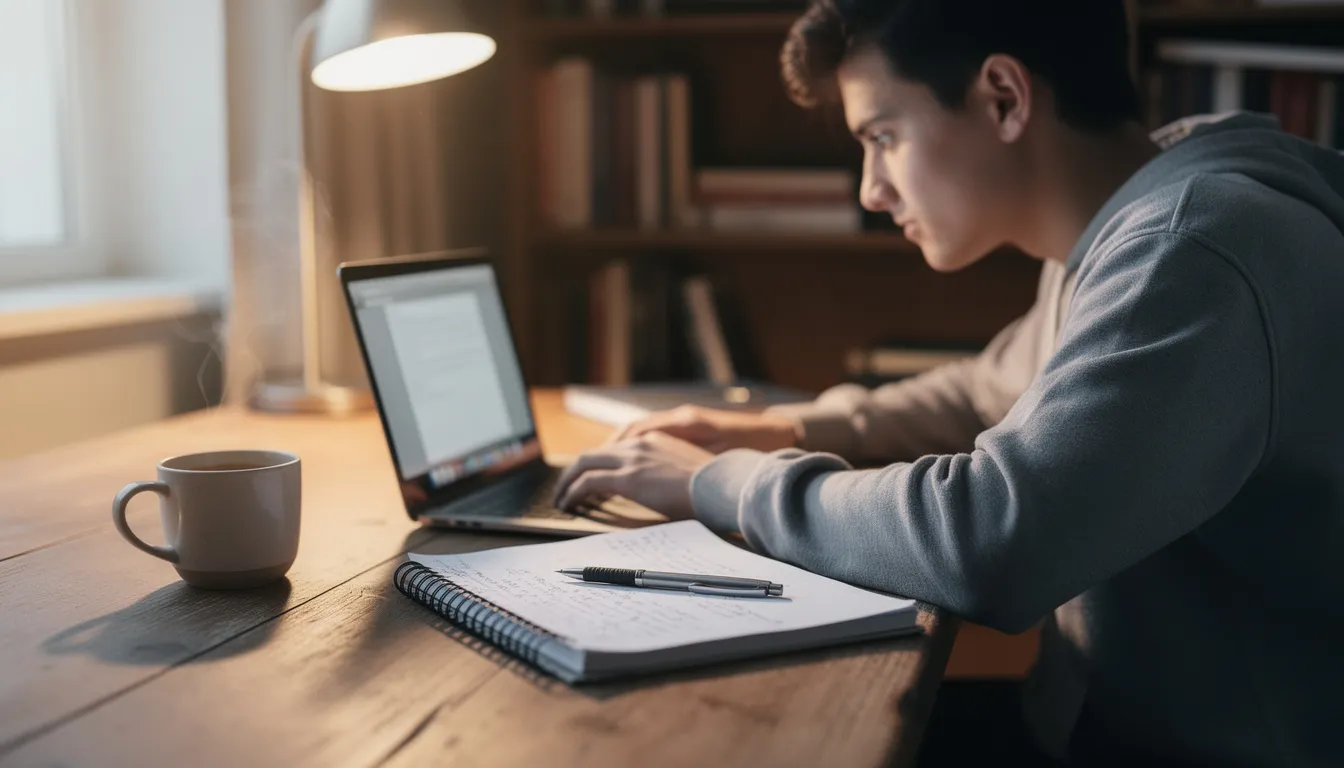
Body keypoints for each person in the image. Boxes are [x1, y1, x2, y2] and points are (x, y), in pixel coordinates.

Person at [552, 0, 1344, 764]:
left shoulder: (1190, 249)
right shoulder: (1138, 212)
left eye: (884, 136)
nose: (871, 188)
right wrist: (789, 429)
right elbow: (984, 389)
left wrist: (726, 484)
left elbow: (991, 539)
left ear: (1004, 97)